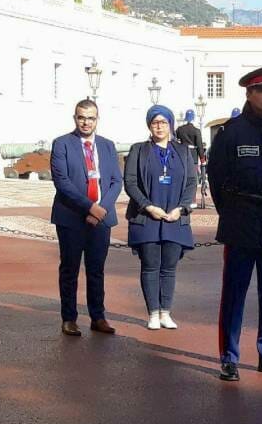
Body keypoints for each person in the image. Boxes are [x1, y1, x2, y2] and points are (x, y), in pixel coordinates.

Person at [207, 66, 262, 382]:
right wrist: (229, 212)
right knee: (234, 292)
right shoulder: (232, 132)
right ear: (249, 93)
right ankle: (229, 357)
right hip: (240, 219)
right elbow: (215, 177)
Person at [51, 99, 122, 337]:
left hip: (101, 218)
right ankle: (69, 318)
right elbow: (63, 183)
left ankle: (98, 316)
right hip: (71, 217)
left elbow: (115, 181)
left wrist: (101, 208)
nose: (86, 122)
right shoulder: (62, 144)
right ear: (75, 118)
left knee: (96, 269)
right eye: (81, 117)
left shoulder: (108, 145)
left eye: (90, 118)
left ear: (97, 120)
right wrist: (90, 208)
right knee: (70, 269)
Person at [125, 105, 196, 330]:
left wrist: (182, 208)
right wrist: (147, 206)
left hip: (175, 217)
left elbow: (192, 182)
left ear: (170, 125)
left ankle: (166, 312)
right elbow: (131, 182)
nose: (159, 127)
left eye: (163, 122)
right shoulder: (139, 150)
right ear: (149, 125)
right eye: (155, 122)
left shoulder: (183, 151)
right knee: (150, 266)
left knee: (169, 268)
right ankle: (153, 313)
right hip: (148, 217)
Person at [175, 109, 205, 209]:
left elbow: (176, 141)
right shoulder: (196, 131)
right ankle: (192, 200)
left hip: (182, 154)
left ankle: (182, 200)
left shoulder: (179, 129)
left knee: (183, 178)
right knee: (193, 179)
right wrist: (202, 159)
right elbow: (200, 146)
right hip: (193, 156)